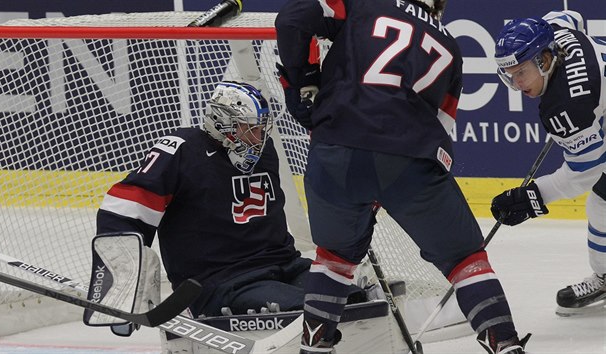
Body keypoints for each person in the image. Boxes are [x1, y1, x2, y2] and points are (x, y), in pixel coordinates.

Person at [276, 0, 530, 353]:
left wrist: (302, 82)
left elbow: (292, 18)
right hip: (409, 159)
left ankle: (314, 346)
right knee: (465, 259)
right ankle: (504, 344)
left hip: (335, 149)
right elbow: (443, 127)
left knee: (334, 255)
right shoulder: (452, 50)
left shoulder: (363, 5)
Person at [94, 81, 316, 350]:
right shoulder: (182, 150)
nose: (258, 138)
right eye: (250, 128)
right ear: (223, 123)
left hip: (285, 265)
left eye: (261, 128)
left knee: (347, 297)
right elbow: (124, 210)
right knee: (312, 308)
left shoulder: (263, 151)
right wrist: (123, 285)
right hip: (222, 282)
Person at [491, 10, 606, 316]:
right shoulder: (555, 32)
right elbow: (570, 16)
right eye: (510, 75)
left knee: (601, 200)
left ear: (544, 60)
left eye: (521, 73)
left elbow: (584, 174)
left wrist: (531, 198)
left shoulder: (568, 107)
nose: (516, 84)